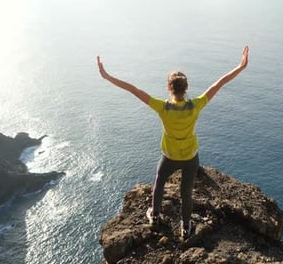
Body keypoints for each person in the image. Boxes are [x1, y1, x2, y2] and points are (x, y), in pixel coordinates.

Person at [97, 46, 249, 239]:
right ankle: (186, 227)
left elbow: (133, 90)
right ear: (186, 88)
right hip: (190, 157)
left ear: (169, 88)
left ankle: (155, 216)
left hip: (169, 156)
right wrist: (240, 66)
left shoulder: (163, 107)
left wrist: (106, 76)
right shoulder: (196, 105)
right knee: (186, 192)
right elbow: (219, 83)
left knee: (159, 182)